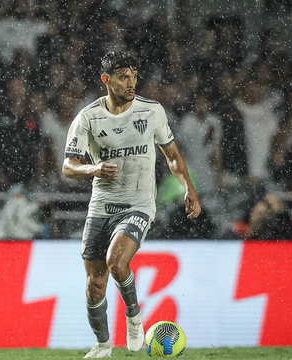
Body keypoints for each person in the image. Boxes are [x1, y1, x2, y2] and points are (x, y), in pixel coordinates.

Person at [62, 51, 201, 358]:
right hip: (101, 205)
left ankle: (134, 315)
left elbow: (173, 156)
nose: (131, 83)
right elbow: (69, 166)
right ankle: (102, 345)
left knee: (116, 262)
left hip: (138, 203)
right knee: (94, 285)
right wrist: (93, 169)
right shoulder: (87, 118)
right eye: (124, 76)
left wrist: (188, 188)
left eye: (135, 76)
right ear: (105, 80)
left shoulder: (152, 111)